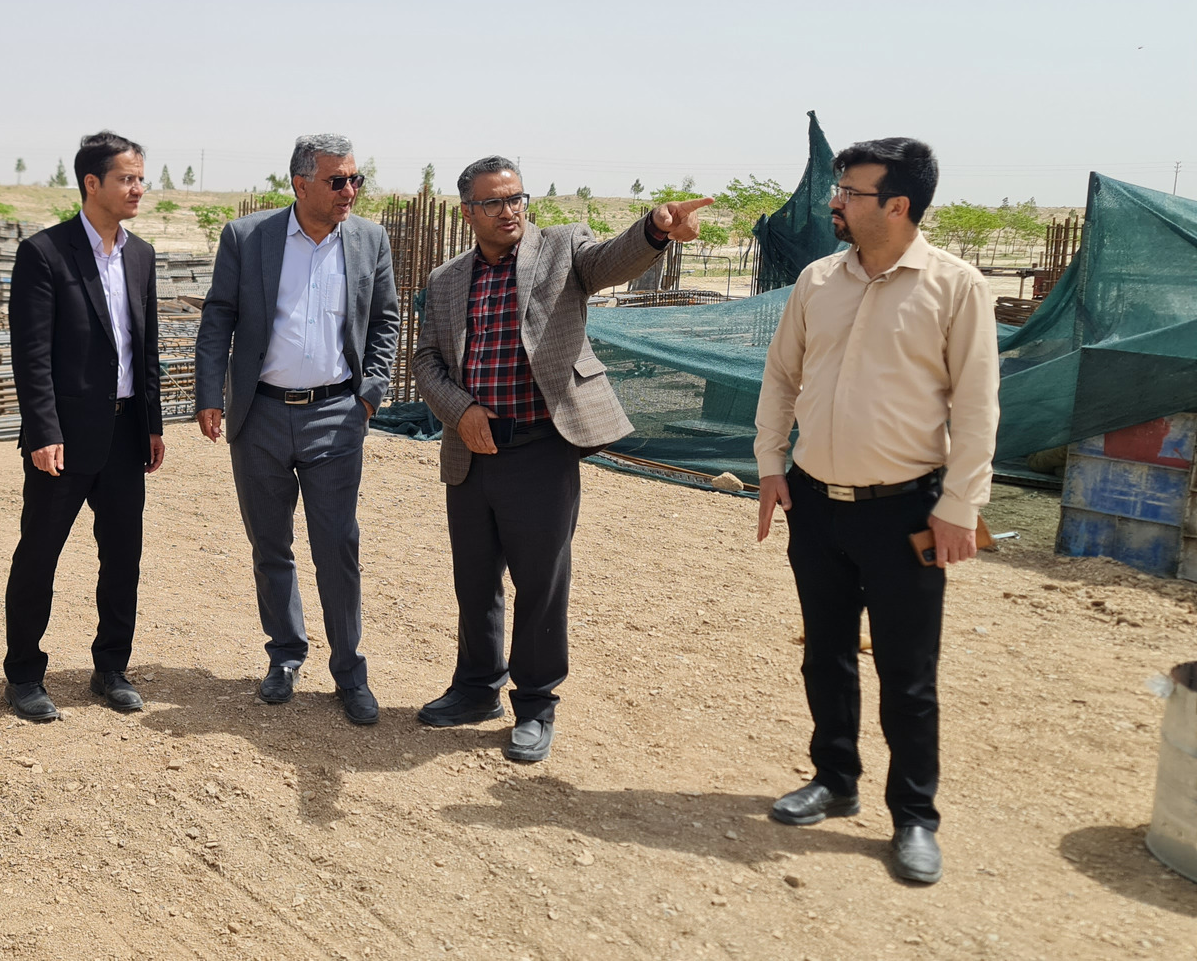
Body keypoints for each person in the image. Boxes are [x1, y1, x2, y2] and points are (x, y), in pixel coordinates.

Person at [754, 137, 999, 885]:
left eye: (850, 192)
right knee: (824, 652)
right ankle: (835, 779)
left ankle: (914, 817)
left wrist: (959, 505)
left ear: (898, 205)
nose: (836, 201)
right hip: (816, 503)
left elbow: (977, 406)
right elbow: (781, 376)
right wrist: (771, 465)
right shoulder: (818, 280)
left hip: (905, 513)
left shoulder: (955, 287)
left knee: (907, 672)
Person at [411, 156, 705, 762]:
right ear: (468, 213)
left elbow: (611, 261)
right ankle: (476, 688)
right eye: (494, 202)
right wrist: (460, 411)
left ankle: (536, 703)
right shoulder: (446, 280)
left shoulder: (562, 250)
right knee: (475, 580)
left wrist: (655, 228)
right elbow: (427, 361)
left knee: (541, 583)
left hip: (541, 449)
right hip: (472, 451)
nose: (510, 210)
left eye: (516, 197)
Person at [193, 134, 399, 725]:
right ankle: (285, 656)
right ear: (300, 184)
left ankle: (349, 672)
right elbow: (219, 317)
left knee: (337, 546)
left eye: (356, 179)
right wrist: (210, 395)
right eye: (338, 181)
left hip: (336, 416)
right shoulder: (247, 237)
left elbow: (385, 320)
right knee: (270, 545)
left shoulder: (369, 239)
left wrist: (368, 396)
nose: (350, 191)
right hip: (258, 416)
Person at [0, 131, 166, 720]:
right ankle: (24, 674)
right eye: (126, 178)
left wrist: (152, 423)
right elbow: (32, 355)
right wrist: (44, 431)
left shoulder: (141, 255)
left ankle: (111, 668)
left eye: (141, 178)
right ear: (92, 183)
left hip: (125, 435)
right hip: (64, 440)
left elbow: (145, 347)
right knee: (39, 555)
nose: (138, 188)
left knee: (123, 558)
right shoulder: (44, 253)